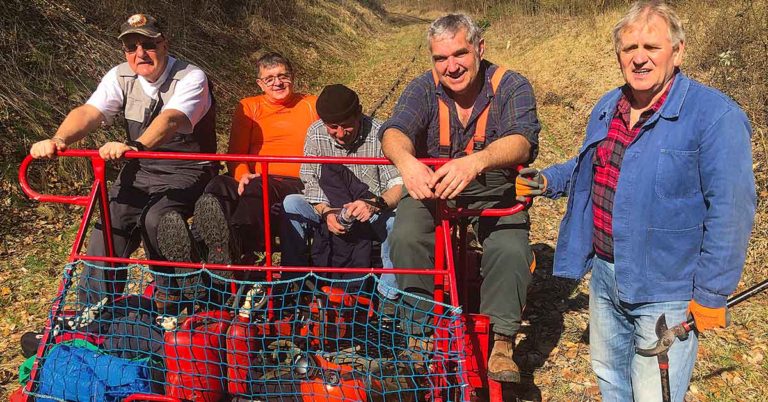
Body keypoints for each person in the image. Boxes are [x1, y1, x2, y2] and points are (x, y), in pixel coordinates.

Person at [515, 1, 756, 400]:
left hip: (667, 287)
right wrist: (547, 181)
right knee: (611, 378)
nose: (639, 58)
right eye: (629, 48)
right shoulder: (609, 106)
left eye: (651, 47)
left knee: (652, 393)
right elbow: (591, 164)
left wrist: (712, 292)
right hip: (606, 275)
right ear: (618, 55)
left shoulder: (715, 117)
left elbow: (732, 209)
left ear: (677, 52)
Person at [379, 14, 540, 383]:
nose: (451, 67)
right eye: (440, 58)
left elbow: (522, 139)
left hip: (494, 186)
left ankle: (501, 341)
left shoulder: (511, 85)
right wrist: (407, 162)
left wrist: (477, 161)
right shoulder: (423, 88)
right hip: (434, 185)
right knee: (405, 235)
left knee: (510, 247)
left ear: (479, 49)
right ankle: (419, 333)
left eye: (460, 54)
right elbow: (394, 130)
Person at [29, 14, 217, 312]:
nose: (140, 54)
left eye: (148, 45)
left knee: (156, 218)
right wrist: (59, 139)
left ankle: (176, 292)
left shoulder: (191, 77)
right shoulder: (120, 76)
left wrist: (135, 145)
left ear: (164, 44)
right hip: (140, 167)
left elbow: (171, 120)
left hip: (188, 168)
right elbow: (90, 112)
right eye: (131, 47)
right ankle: (94, 310)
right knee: (109, 221)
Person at [158, 52, 318, 270]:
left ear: (293, 77)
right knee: (220, 184)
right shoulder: (249, 107)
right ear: (260, 84)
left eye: (283, 76)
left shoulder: (311, 104)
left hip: (293, 182)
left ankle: (225, 245)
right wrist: (243, 175)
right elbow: (236, 152)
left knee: (257, 187)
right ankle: (205, 247)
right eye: (269, 79)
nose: (278, 83)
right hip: (254, 178)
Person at [281, 84, 402, 299]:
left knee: (396, 222)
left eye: (347, 126)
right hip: (330, 206)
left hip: (371, 210)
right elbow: (308, 178)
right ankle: (294, 283)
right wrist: (326, 211)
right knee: (291, 203)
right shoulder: (315, 133)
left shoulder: (381, 134)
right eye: (333, 127)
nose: (340, 133)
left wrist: (374, 204)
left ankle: (388, 294)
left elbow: (398, 184)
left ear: (359, 113)